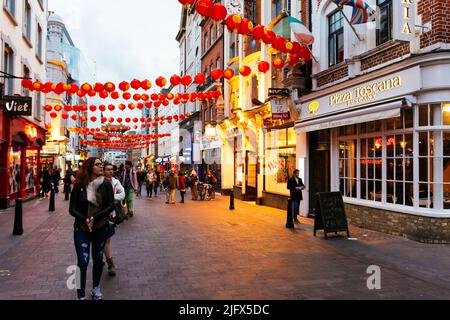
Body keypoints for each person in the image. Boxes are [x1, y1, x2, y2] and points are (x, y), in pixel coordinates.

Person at [69, 158, 115, 300]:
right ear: (89, 167)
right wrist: (85, 219)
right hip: (81, 228)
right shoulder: (79, 185)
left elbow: (110, 205)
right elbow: (72, 209)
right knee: (82, 261)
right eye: (97, 165)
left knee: (98, 259)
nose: (101, 166)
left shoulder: (106, 185)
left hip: (100, 227)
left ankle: (96, 288)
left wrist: (95, 217)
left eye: (101, 164)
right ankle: (80, 293)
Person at [103, 162, 125, 277]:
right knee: (99, 241)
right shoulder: (98, 182)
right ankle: (103, 260)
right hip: (97, 215)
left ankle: (110, 264)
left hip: (110, 215)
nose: (110, 171)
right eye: (107, 169)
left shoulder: (116, 182)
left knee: (107, 240)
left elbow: (122, 194)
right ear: (103, 171)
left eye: (111, 169)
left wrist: (110, 198)